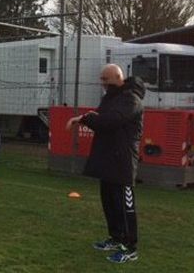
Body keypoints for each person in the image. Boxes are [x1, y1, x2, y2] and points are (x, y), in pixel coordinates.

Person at [66, 64, 145, 264]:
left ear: (118, 78)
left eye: (106, 80)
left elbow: (110, 120)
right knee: (109, 201)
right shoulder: (111, 98)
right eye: (102, 80)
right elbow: (100, 116)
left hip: (123, 161)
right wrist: (85, 118)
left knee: (126, 205)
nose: (103, 84)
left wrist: (83, 118)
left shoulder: (131, 99)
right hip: (108, 158)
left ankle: (130, 247)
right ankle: (115, 238)